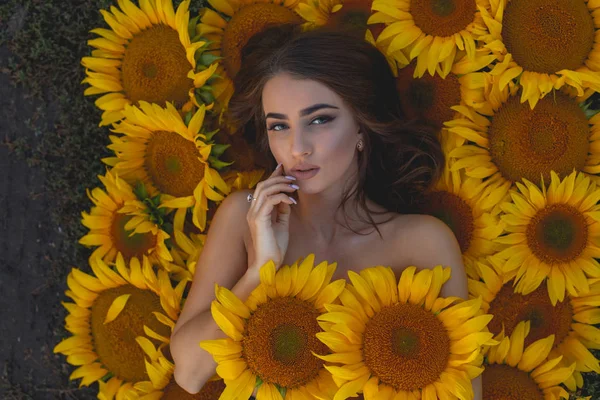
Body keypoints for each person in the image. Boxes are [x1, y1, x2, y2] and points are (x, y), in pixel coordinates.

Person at [169, 23, 481, 399]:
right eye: (279, 126)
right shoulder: (244, 216)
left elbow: (464, 392)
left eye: (319, 120)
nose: (297, 147)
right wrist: (260, 271)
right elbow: (189, 372)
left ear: (363, 126)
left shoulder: (422, 243)